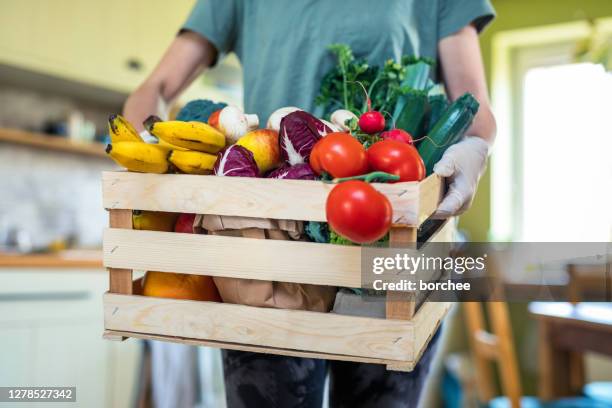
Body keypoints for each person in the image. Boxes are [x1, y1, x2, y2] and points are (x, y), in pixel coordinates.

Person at [124, 1, 497, 406]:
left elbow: (473, 104)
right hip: (269, 247)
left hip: (392, 241)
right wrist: (147, 144)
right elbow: (156, 87)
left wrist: (477, 146)